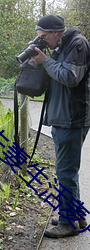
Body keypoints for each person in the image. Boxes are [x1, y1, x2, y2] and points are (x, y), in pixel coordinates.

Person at [32, 15, 90, 238]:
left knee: (66, 172)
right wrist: (41, 60)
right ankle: (75, 215)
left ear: (56, 32)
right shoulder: (62, 46)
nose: (43, 41)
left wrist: (45, 61)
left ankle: (68, 223)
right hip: (63, 117)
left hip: (72, 118)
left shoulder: (78, 44)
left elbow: (69, 77)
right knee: (67, 172)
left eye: (44, 37)